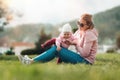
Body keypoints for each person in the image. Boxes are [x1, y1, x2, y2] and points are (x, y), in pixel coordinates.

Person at [18, 13, 98, 65]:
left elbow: (85, 54)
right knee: (56, 48)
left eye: (81, 24)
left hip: (86, 62)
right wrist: (68, 41)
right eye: (78, 23)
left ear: (88, 25)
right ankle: (31, 61)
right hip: (79, 57)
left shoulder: (89, 34)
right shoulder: (80, 31)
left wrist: (75, 44)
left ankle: (31, 62)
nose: (79, 26)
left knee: (57, 49)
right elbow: (72, 38)